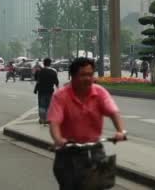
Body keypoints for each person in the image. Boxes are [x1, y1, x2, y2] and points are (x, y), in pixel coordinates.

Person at [48, 57, 127, 189]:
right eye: (83, 75)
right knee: (69, 185)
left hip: (94, 148)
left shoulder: (100, 92)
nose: (88, 78)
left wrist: (120, 131)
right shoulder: (61, 96)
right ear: (72, 76)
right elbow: (54, 122)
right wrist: (58, 139)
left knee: (100, 184)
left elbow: (114, 112)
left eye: (90, 75)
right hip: (68, 151)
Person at [34, 58, 59, 125]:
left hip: (41, 91)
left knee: (42, 105)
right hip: (50, 91)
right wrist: (58, 89)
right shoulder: (53, 72)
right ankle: (48, 119)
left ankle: (42, 119)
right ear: (50, 63)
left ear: (44, 63)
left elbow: (36, 79)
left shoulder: (39, 71)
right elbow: (56, 82)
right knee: (49, 105)